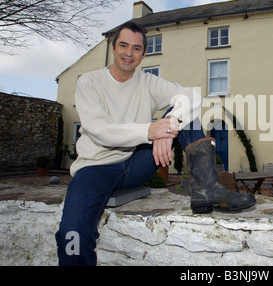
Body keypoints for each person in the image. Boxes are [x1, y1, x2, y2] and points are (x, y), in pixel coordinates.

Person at [55, 21, 256, 266]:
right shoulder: (89, 82)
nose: (129, 53)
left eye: (136, 48)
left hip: (136, 164)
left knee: (185, 113)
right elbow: (100, 131)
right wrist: (151, 131)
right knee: (72, 233)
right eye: (123, 45)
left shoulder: (147, 82)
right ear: (113, 48)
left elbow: (192, 95)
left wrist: (169, 125)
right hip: (95, 168)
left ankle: (207, 190)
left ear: (143, 54)